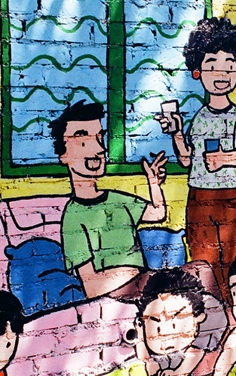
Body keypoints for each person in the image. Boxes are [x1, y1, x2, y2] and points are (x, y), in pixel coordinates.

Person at [157, 18, 236, 303]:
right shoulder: (199, 119)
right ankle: (212, 312)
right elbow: (188, 160)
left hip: (232, 197)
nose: (221, 73)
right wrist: (176, 133)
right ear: (198, 72)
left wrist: (223, 158)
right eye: (212, 65)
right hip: (200, 197)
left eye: (229, 65)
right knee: (202, 261)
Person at [53, 100, 168, 298]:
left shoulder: (117, 200)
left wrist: (154, 183)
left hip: (146, 287)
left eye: (99, 138)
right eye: (83, 140)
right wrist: (140, 279)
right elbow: (92, 287)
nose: (99, 149)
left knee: (201, 269)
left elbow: (158, 213)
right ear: (64, 155)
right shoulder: (73, 217)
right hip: (121, 298)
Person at [134, 268, 227, 376]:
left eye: (178, 317)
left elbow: (198, 349)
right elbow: (147, 358)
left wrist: (178, 373)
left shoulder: (211, 316)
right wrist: (153, 374)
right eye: (155, 321)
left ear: (198, 317)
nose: (165, 331)